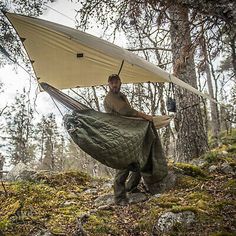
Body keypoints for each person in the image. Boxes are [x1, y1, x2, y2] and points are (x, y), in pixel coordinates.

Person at [104, 74, 154, 205]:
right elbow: (125, 110)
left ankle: (131, 187)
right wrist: (143, 115)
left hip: (127, 133)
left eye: (116, 82)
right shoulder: (110, 98)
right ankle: (119, 197)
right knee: (123, 164)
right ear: (108, 85)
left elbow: (128, 112)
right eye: (112, 83)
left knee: (137, 161)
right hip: (117, 133)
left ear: (120, 82)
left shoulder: (122, 96)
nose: (114, 84)